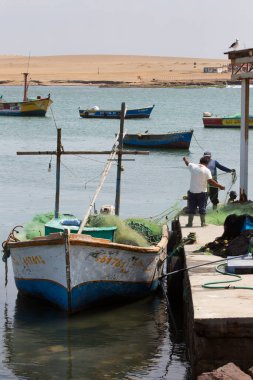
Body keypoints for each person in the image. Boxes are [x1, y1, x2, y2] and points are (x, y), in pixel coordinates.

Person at [183, 156, 225, 227]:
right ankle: (203, 223)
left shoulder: (193, 166)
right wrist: (220, 186)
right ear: (207, 163)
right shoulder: (206, 170)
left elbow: (187, 163)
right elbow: (211, 182)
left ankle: (190, 223)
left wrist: (185, 159)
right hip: (202, 193)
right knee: (202, 208)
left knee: (191, 208)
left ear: (200, 161)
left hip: (192, 192)